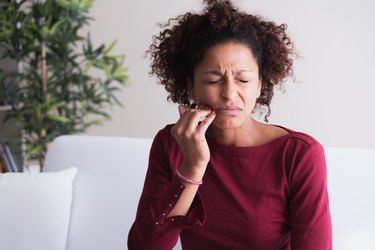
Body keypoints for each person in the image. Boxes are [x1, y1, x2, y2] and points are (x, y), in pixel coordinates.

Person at [128, 0, 332, 249]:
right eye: (213, 80)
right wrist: (192, 167)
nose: (230, 93)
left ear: (259, 85)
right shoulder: (171, 144)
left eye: (243, 79)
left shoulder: (299, 154)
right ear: (191, 86)